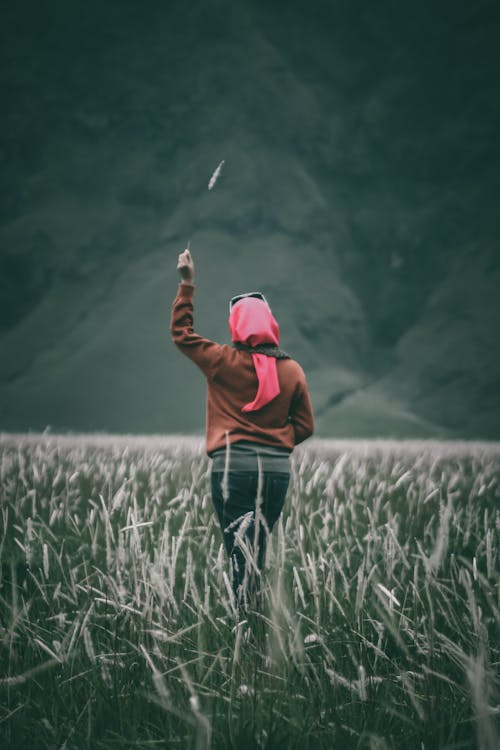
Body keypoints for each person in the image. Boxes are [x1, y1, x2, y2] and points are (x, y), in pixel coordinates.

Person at [171, 248, 314, 611]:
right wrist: (277, 442)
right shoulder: (293, 370)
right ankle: (254, 621)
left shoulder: (220, 361)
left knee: (238, 552)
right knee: (257, 550)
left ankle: (244, 628)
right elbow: (305, 426)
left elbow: (182, 335)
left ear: (236, 324)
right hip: (277, 474)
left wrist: (187, 284)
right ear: (270, 323)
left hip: (231, 470)